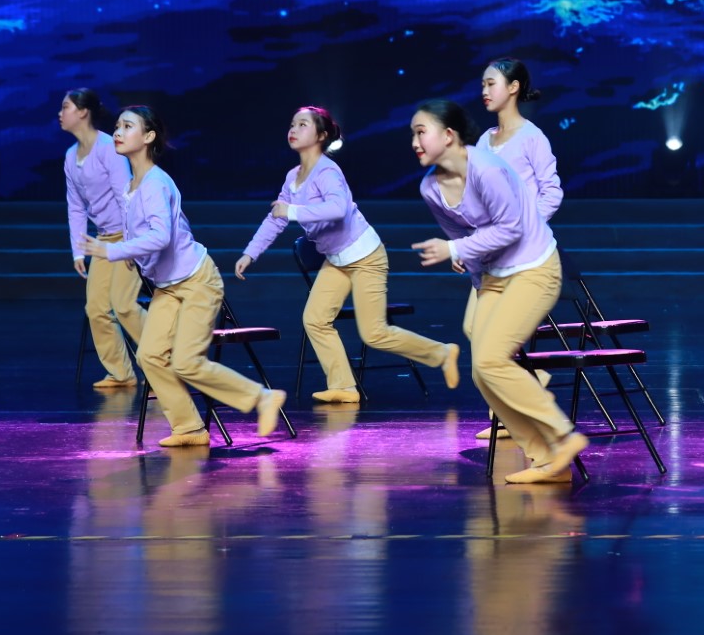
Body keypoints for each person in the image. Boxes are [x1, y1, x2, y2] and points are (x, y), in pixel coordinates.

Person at [82, 106, 286, 447]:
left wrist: (116, 250)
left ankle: (262, 398)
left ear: (148, 137)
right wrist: (134, 255)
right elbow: (162, 231)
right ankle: (189, 428)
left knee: (187, 362)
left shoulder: (155, 183)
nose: (118, 131)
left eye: (128, 126)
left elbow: (161, 236)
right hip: (168, 286)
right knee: (149, 355)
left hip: (196, 281)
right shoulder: (132, 186)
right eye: (117, 126)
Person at [410, 99, 587, 483]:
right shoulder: (430, 188)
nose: (414, 142)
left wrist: (455, 249)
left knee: (491, 361)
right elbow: (462, 236)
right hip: (494, 276)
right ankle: (548, 461)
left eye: (421, 132)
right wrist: (468, 263)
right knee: (482, 372)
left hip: (534, 268)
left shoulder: (486, 169)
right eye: (413, 134)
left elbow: (510, 229)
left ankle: (562, 435)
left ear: (449, 135)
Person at [234, 105, 458, 404]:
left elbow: (337, 209)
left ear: (321, 135)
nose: (294, 129)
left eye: (303, 124)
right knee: (315, 319)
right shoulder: (292, 177)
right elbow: (276, 218)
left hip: (365, 256)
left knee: (374, 333)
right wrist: (251, 253)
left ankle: (442, 353)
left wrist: (293, 211)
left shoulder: (327, 171)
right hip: (337, 260)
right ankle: (344, 386)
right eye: (292, 124)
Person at [472, 57, 563, 440]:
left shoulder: (531, 137)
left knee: (492, 344)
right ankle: (526, 388)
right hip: (493, 259)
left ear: (513, 88)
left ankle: (517, 416)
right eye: (482, 84)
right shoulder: (483, 141)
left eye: (491, 83)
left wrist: (525, 227)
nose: (484, 90)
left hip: (525, 257)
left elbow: (552, 191)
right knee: (476, 331)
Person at [60, 88, 146, 389]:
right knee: (96, 309)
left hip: (126, 235)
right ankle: (121, 373)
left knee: (124, 305)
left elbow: (125, 197)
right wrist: (78, 251)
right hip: (102, 240)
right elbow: (75, 206)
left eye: (66, 107)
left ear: (83, 112)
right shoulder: (71, 156)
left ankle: (166, 360)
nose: (60, 113)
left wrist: (131, 245)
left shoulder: (108, 147)